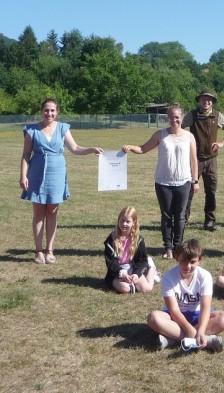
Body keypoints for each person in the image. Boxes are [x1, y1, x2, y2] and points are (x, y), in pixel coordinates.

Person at [20, 98, 103, 264]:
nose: (49, 113)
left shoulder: (63, 128)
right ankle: (38, 251)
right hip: (36, 174)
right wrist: (23, 175)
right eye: (46, 110)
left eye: (52, 110)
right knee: (38, 213)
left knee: (52, 212)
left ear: (57, 112)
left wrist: (91, 149)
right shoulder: (31, 130)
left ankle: (49, 250)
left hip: (57, 173)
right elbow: (25, 155)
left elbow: (75, 148)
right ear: (41, 111)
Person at [122, 105, 199, 259]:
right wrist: (130, 147)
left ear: (182, 118)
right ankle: (168, 248)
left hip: (184, 182)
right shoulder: (160, 135)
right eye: (171, 117)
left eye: (177, 117)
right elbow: (143, 148)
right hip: (163, 182)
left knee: (181, 216)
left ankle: (178, 246)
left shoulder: (189, 136)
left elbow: (194, 160)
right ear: (167, 118)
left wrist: (195, 181)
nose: (174, 120)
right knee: (166, 216)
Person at [147, 239, 224, 350]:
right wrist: (190, 330)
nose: (187, 266)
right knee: (153, 318)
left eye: (192, 262)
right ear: (176, 258)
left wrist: (201, 329)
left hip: (198, 315)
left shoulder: (205, 276)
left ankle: (172, 339)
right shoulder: (169, 277)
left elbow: (205, 307)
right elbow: (174, 310)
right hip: (175, 317)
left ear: (199, 260)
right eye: (183, 261)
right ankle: (207, 340)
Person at [182, 89, 224, 231]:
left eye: (209, 100)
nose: (206, 102)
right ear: (199, 101)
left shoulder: (217, 116)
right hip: (195, 159)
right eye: (204, 99)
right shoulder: (192, 115)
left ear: (212, 102)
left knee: (211, 191)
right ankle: (183, 220)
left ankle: (210, 221)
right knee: (189, 190)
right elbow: (179, 127)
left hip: (211, 159)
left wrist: (222, 143)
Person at [104, 206, 160, 294]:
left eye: (128, 221)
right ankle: (130, 284)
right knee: (125, 289)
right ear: (118, 220)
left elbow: (142, 260)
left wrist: (136, 274)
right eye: (122, 220)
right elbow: (110, 262)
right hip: (117, 272)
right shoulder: (112, 238)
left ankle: (151, 269)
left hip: (132, 268)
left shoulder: (139, 240)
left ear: (134, 223)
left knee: (147, 288)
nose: (124, 224)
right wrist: (121, 273)